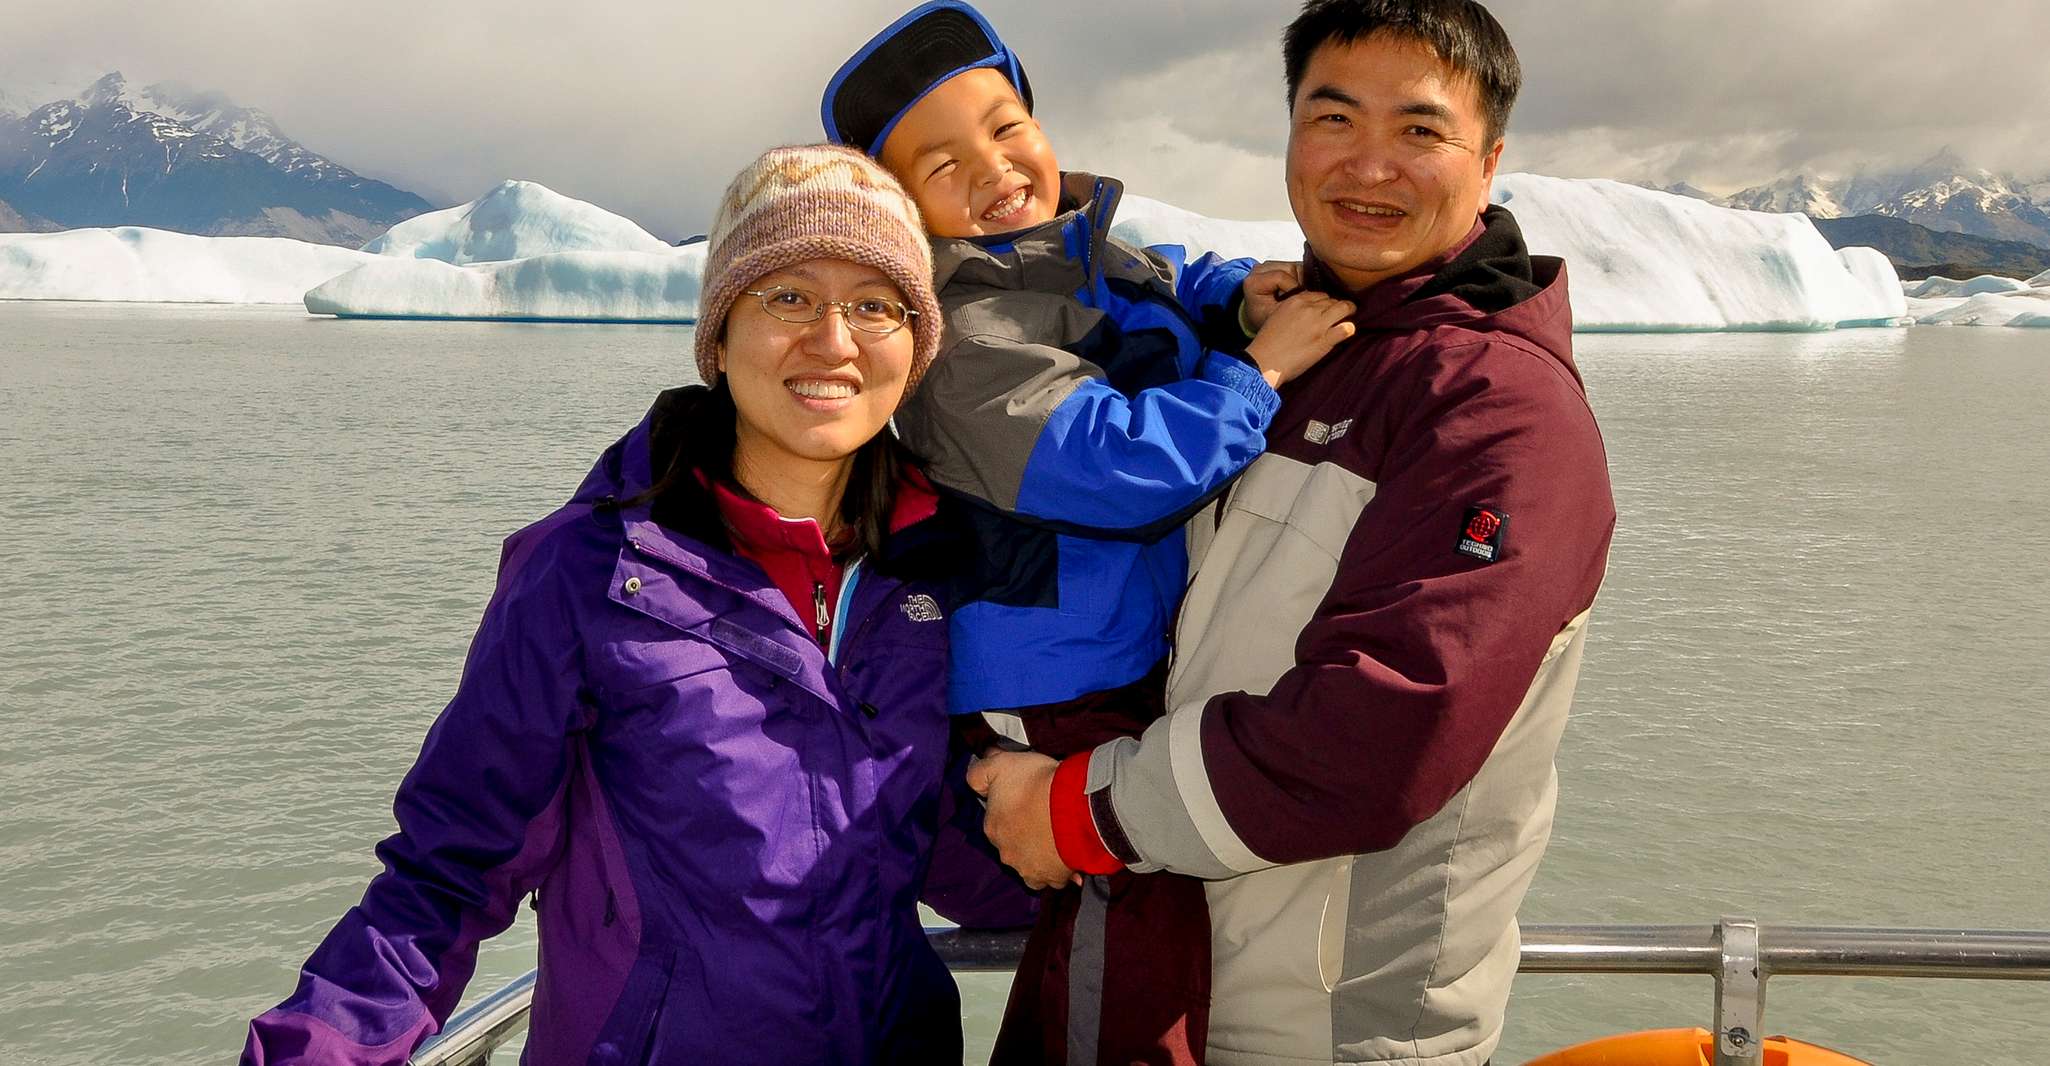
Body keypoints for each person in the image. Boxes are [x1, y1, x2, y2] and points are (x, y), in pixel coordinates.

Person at [240, 144, 1031, 1066]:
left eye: (873, 304)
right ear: (720, 335)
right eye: (787, 296)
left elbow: (948, 842)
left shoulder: (931, 570)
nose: (833, 339)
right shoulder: (586, 573)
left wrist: (1110, 830)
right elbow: (446, 873)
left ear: (915, 343)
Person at [970, 2, 1618, 1065]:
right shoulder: (1295, 347)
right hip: (1159, 985)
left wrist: (1083, 811)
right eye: (1333, 118)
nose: (1368, 166)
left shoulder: (1496, 409)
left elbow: (1384, 724)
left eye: (1418, 130)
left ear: (1489, 160)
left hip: (1324, 1029)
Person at [823, 3, 1358, 1063]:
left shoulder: (1071, 254)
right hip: (1043, 682)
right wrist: (1258, 374)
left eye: (1004, 125)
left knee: (1122, 911)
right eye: (942, 164)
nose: (994, 168)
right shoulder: (963, 342)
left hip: (1115, 656)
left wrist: (1237, 299)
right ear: (902, 211)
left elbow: (1156, 283)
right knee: (1129, 904)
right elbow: (1122, 472)